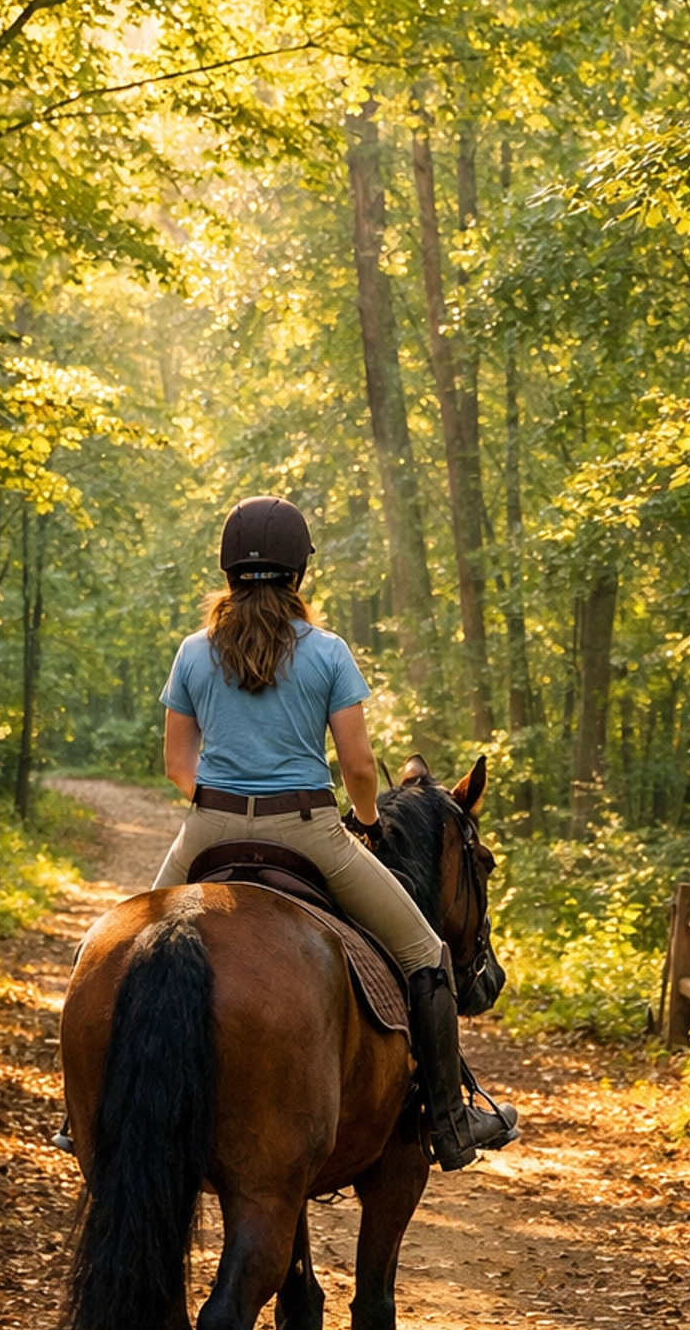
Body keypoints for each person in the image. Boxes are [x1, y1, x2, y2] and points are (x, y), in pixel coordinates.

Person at [148, 495, 518, 1171]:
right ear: (299, 573)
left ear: (228, 569)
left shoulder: (193, 653)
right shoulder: (328, 653)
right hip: (310, 829)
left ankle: (80, 1118)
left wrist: (223, 804)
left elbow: (178, 764)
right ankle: (450, 1119)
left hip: (208, 829)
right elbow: (355, 764)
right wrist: (369, 824)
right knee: (427, 953)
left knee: (130, 950)